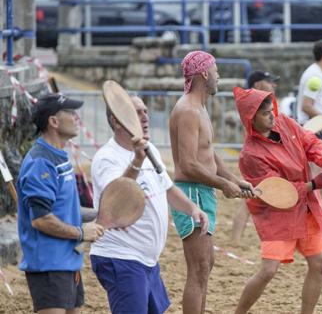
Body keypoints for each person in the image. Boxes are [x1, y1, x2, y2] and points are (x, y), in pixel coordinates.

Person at [90, 95, 209, 313]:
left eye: (145, 111)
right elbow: (116, 201)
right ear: (117, 121)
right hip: (121, 256)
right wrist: (136, 161)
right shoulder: (107, 158)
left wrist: (193, 209)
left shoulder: (150, 149)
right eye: (137, 113)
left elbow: (167, 188)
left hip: (147, 259)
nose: (145, 117)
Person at [232, 87, 322, 314]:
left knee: (320, 264)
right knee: (268, 271)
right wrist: (315, 184)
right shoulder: (250, 154)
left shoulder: (285, 122)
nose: (272, 115)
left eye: (272, 110)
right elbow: (278, 192)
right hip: (277, 214)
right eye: (265, 113)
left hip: (306, 207)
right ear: (251, 118)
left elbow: (310, 141)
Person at [170, 50, 255, 313]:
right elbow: (188, 165)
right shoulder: (187, 110)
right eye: (216, 70)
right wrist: (223, 184)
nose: (219, 76)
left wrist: (233, 179)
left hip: (202, 191)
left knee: (206, 266)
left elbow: (208, 153)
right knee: (199, 269)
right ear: (204, 73)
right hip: (192, 193)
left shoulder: (199, 108)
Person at [17, 93, 105, 313]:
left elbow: (65, 209)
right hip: (48, 265)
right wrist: (81, 233)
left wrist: (99, 215)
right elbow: (41, 220)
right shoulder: (40, 162)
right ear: (53, 122)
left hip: (67, 261)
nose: (77, 118)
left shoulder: (59, 156)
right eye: (71, 113)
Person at [230, 69, 281, 245]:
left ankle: (236, 239)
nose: (273, 84)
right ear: (258, 85)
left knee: (253, 196)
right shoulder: (252, 104)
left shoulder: (262, 102)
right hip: (256, 156)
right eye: (269, 81)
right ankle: (235, 240)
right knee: (251, 197)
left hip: (263, 154)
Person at [296, 40, 322, 126]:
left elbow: (312, 103)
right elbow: (306, 106)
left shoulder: (316, 72)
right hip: (311, 129)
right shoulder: (315, 75)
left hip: (312, 128)